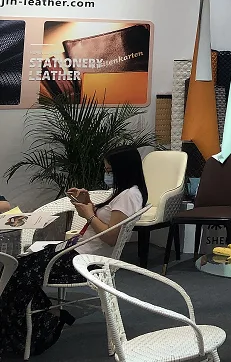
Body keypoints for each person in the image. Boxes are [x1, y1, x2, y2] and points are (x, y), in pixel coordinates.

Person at [0, 147, 148, 356]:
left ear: (123, 170)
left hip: (84, 261)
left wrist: (89, 215)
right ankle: (40, 318)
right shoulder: (125, 193)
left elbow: (111, 237)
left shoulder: (129, 196)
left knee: (16, 272)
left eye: (110, 171)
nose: (107, 175)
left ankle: (33, 328)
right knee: (19, 268)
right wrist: (88, 203)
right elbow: (107, 222)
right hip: (75, 249)